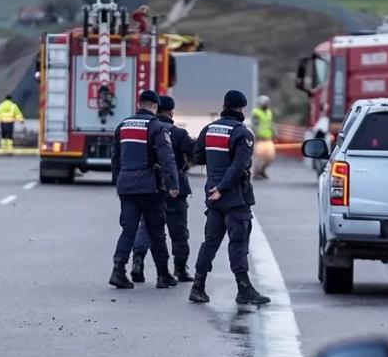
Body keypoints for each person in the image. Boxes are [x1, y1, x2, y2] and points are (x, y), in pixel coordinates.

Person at [189, 90, 271, 305]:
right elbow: (239, 165)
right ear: (241, 108)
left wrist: (215, 183)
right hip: (234, 196)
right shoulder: (241, 133)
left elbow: (197, 157)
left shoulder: (209, 129)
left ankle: (198, 286)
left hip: (212, 194)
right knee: (238, 241)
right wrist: (223, 187)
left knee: (211, 241)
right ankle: (244, 289)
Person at [108, 90, 180, 290]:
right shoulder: (156, 127)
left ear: (139, 104)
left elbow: (115, 157)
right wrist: (173, 184)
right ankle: (163, 274)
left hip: (126, 186)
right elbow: (167, 157)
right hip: (149, 187)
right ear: (155, 107)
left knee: (128, 229)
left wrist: (117, 181)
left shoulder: (123, 125)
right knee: (156, 231)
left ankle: (118, 270)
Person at [130, 95, 196, 283]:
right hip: (176, 187)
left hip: (150, 185)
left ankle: (138, 261)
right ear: (171, 111)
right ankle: (180, 269)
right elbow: (196, 153)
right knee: (179, 230)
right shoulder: (178, 134)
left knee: (147, 227)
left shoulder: (147, 130)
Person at [251, 95, 275, 179]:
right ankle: (256, 173)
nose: (267, 104)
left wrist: (274, 133)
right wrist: (255, 136)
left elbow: (270, 124)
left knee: (270, 157)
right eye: (265, 103)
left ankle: (262, 170)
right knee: (259, 158)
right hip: (260, 139)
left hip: (268, 139)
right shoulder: (256, 112)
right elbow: (254, 125)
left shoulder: (269, 112)